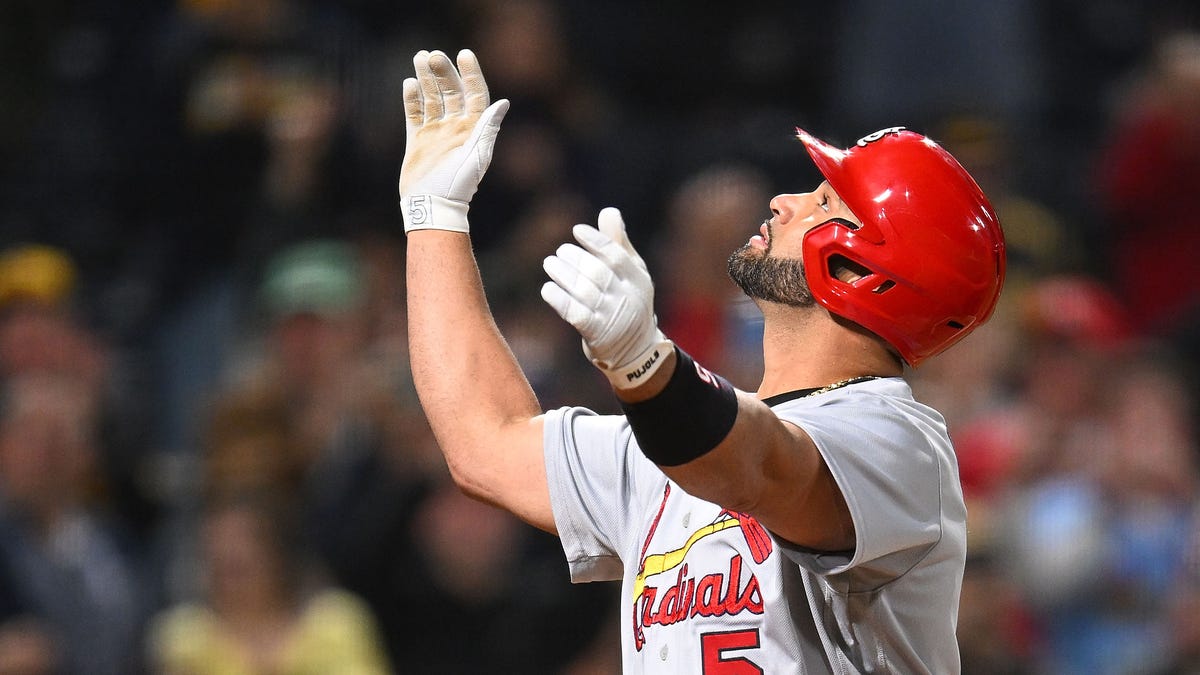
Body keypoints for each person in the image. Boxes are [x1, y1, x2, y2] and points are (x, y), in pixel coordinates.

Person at [399, 49, 1005, 673]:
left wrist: (643, 363)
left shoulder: (897, 443)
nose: (783, 201)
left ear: (862, 271)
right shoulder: (677, 440)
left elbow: (759, 468)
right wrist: (433, 219)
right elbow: (484, 442)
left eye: (824, 202)